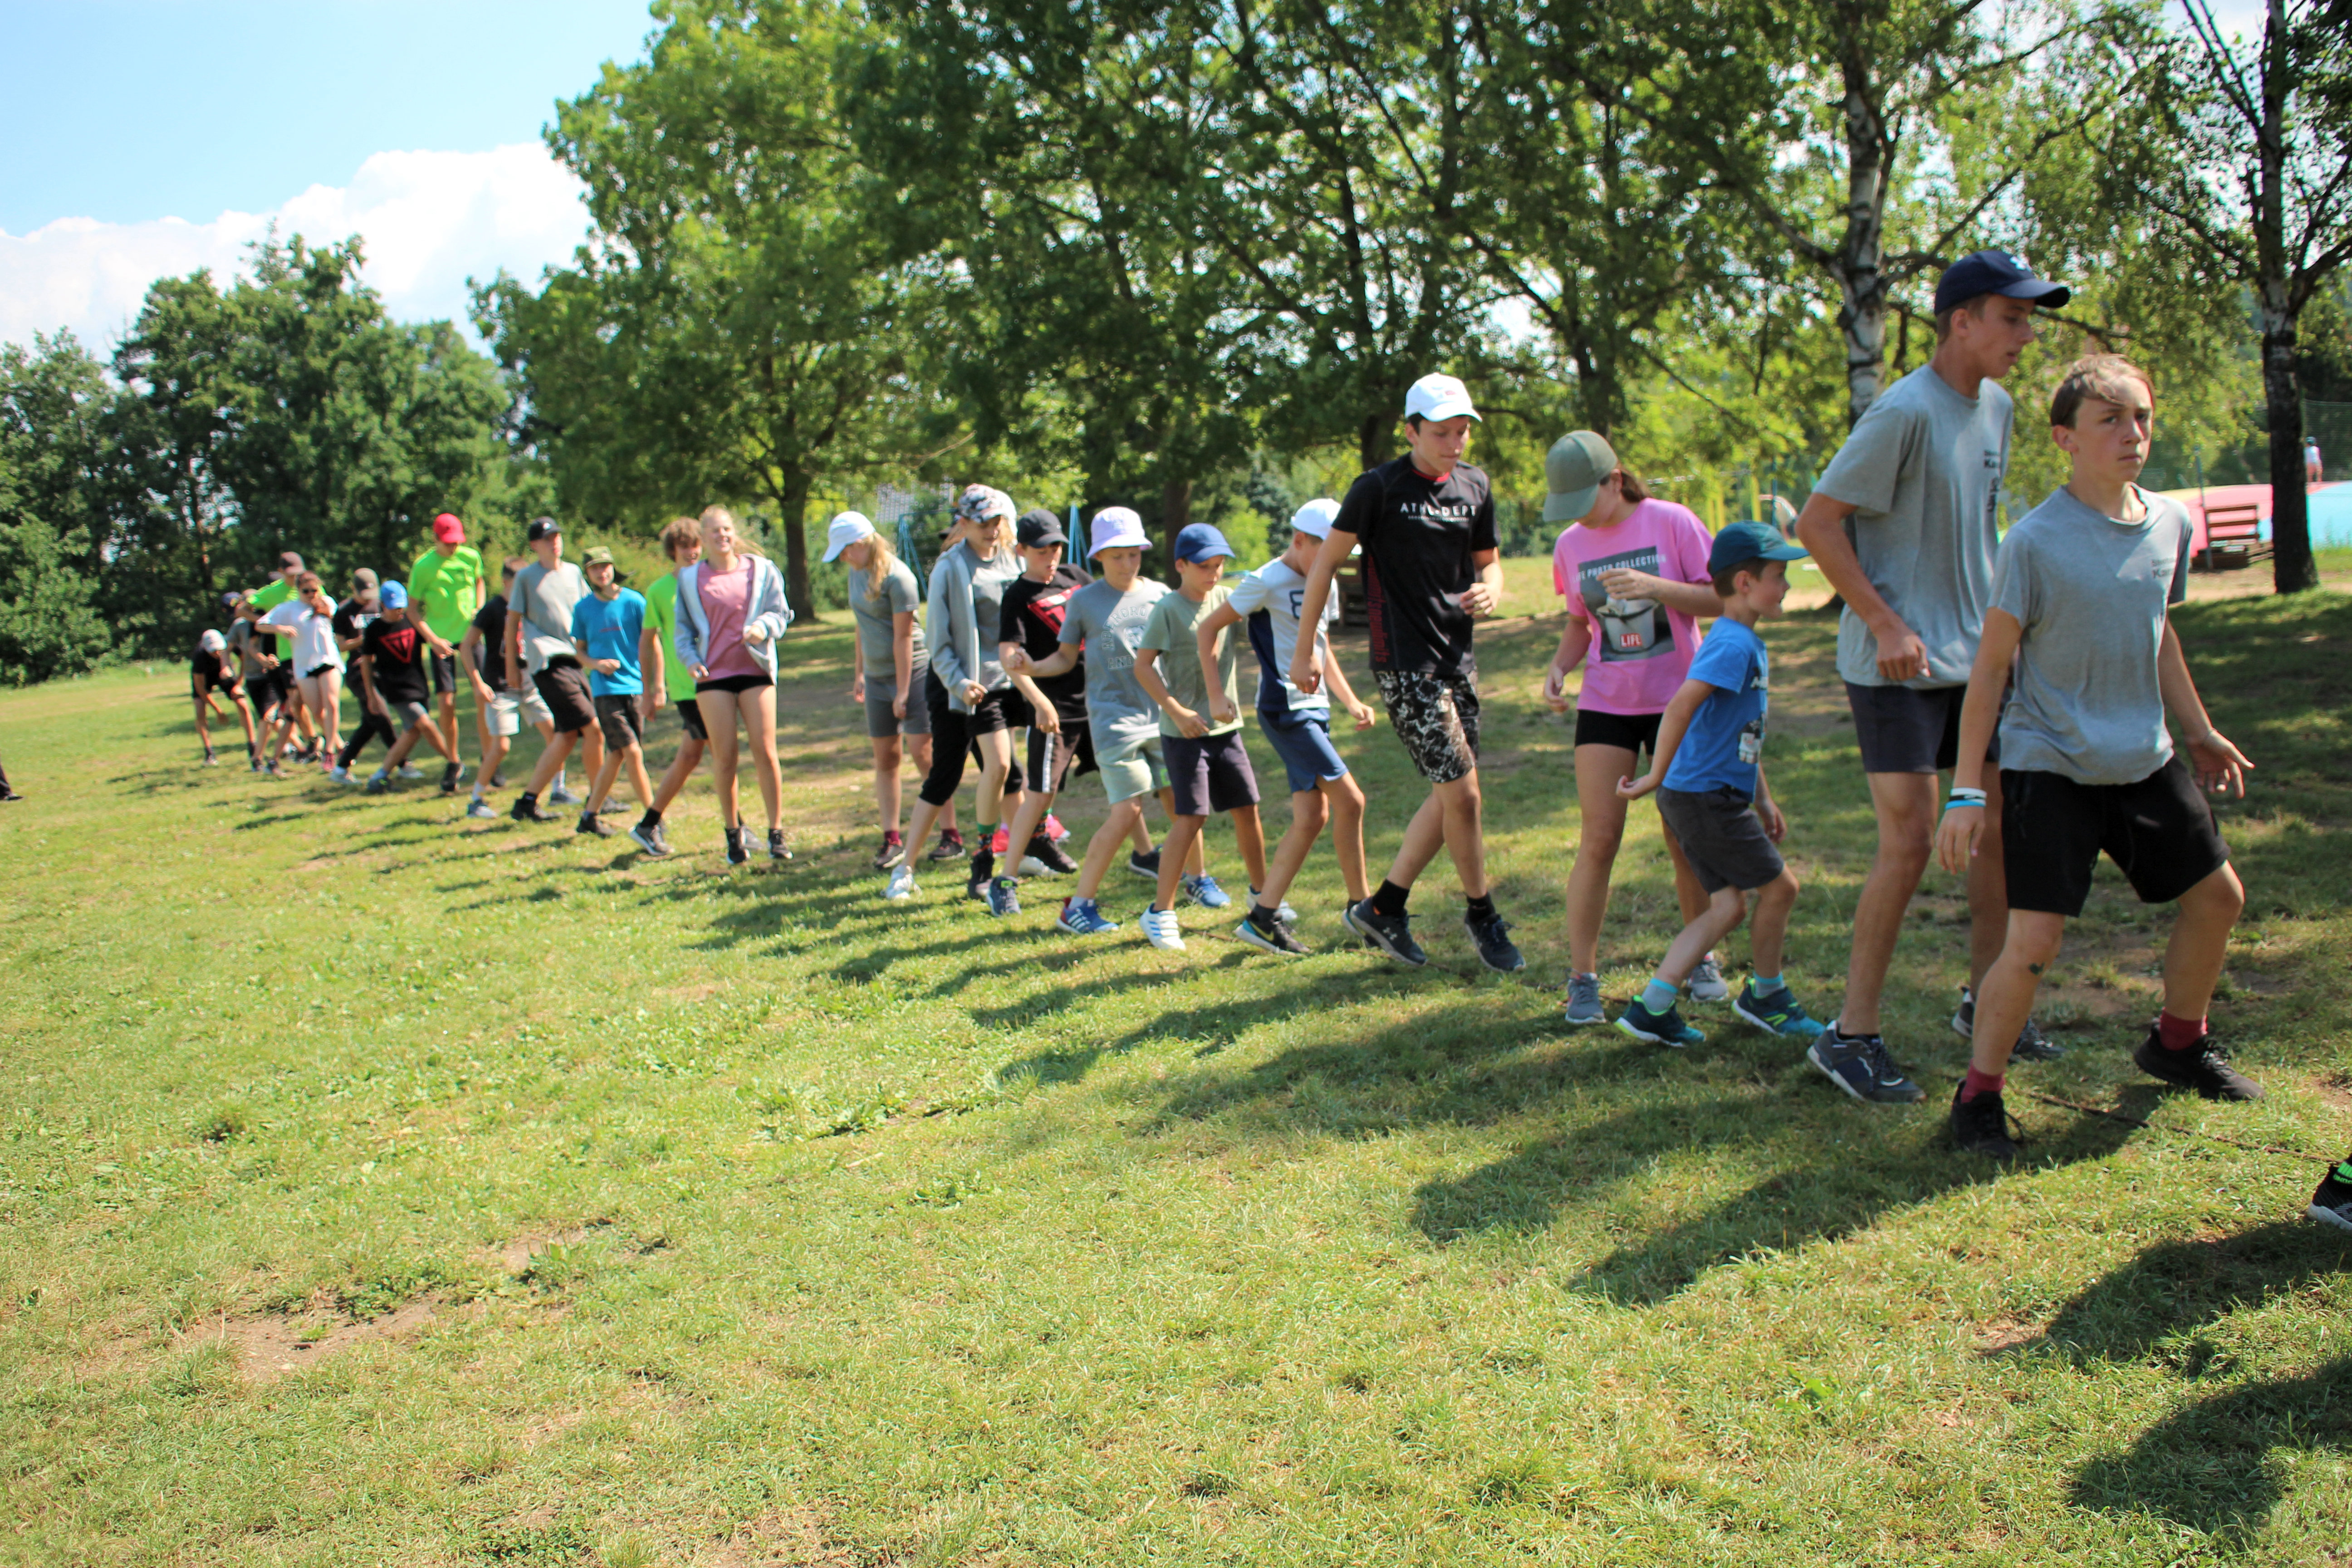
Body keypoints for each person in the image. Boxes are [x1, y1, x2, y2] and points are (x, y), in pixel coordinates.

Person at [1936, 355, 2256, 1158]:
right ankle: (1977, 1098)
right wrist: (1967, 791)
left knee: (2218, 898)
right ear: (2065, 439)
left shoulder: (2169, 523)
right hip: (2049, 764)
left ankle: (2177, 1043)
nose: (2132, 434)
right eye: (2110, 419)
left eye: (2141, 416)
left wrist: (2198, 729)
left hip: (2142, 756)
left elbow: (2156, 632)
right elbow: (1990, 672)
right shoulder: (2034, 542)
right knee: (2033, 944)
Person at [1793, 250, 2072, 1103]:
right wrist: (1886, 623)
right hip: (1893, 669)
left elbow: (1973, 536)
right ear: (1962, 321)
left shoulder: (1998, 407)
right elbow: (1817, 523)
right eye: (2012, 318)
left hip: (1972, 664)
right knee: (1911, 842)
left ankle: (1988, 1003)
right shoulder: (1903, 411)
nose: (2025, 336)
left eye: (2028, 320)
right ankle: (1850, 1037)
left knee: (1991, 833)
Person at [1290, 372, 1524, 973]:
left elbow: (1490, 563)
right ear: (1411, 431)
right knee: (1464, 794)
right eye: (1442, 433)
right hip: (1404, 663)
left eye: (1463, 431)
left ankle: (1384, 907)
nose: (1455, 443)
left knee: (1453, 795)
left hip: (1458, 659)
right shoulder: (1378, 488)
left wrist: (1493, 589)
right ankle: (1482, 914)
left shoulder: (1475, 485)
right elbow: (1324, 566)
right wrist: (1306, 649)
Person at [1540, 431, 1727, 1024]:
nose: (1578, 517)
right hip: (1606, 704)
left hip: (1680, 701)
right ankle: (1583, 979)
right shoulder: (1570, 545)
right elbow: (1579, 622)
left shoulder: (1672, 522)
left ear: (1615, 481)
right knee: (1599, 839)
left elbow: (1721, 600)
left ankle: (1699, 958)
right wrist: (1560, 667)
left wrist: (1655, 588)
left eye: (1585, 501)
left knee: (1683, 837)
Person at [1615, 523, 1824, 1048]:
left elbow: (1742, 731)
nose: (1787, 586)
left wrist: (1764, 797)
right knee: (1782, 889)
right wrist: (1656, 774)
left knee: (1728, 907)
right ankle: (1768, 997)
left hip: (1702, 795)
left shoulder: (1743, 641)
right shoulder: (1733, 644)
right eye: (1779, 576)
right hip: (1704, 798)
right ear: (1746, 583)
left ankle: (1652, 1008)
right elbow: (1681, 705)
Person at [1193, 499, 1374, 955]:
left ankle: (1263, 919)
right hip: (1285, 710)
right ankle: (1364, 909)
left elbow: (1320, 646)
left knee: (1313, 817)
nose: (1335, 561)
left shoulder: (1326, 580)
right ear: (1299, 540)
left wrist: (1350, 700)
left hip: (1315, 708)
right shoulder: (1267, 580)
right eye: (1328, 549)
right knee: (1351, 801)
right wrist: (1215, 694)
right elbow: (1208, 629)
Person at [1004, 506, 1192, 935]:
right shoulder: (1085, 601)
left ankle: (1197, 880)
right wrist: (1032, 668)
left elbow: (1180, 650)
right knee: (1126, 810)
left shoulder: (1159, 594)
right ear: (1099, 557)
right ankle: (1077, 906)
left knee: (1184, 806)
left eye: (1134, 555)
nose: (1127, 564)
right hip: (1112, 720)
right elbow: (1065, 657)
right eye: (1117, 556)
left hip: (1162, 718)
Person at [1128, 523, 1271, 950]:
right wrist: (1175, 710)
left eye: (1220, 565)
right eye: (1205, 566)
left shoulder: (1227, 599)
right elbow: (1142, 666)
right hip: (1183, 733)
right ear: (1181, 566)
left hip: (1227, 730)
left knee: (1247, 808)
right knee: (1191, 818)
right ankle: (1160, 913)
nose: (1214, 573)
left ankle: (1264, 897)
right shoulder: (1168, 609)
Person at [884, 486, 1026, 902]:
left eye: (997, 521)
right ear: (963, 524)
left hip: (999, 686)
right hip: (954, 686)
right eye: (982, 523)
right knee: (946, 775)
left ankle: (1022, 853)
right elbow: (938, 643)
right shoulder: (949, 567)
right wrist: (960, 684)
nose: (992, 530)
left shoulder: (1012, 560)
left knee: (1006, 772)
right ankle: (906, 869)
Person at [669, 505, 794, 863]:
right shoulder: (690, 578)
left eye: (726, 529)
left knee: (765, 750)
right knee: (725, 757)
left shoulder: (761, 569)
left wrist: (763, 628)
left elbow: (781, 613)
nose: (722, 535)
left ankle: (776, 833)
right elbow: (683, 631)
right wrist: (691, 660)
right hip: (714, 676)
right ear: (704, 538)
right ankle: (733, 835)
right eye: (714, 531)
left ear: (734, 533)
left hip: (756, 670)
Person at [828, 510, 952, 872]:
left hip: (913, 674)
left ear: (863, 543)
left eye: (846, 550)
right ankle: (892, 838)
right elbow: (862, 625)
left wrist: (902, 691)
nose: (843, 558)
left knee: (924, 754)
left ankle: (951, 834)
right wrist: (860, 672)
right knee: (886, 758)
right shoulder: (856, 573)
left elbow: (903, 638)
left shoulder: (900, 578)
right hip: (877, 677)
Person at [988, 509, 1098, 909]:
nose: (1051, 557)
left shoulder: (1075, 577)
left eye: (1055, 548)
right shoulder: (1018, 596)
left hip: (1097, 701)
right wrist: (1039, 701)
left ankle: (1144, 853)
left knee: (1124, 783)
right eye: (1041, 551)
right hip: (1057, 710)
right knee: (1040, 794)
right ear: (1021, 550)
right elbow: (1011, 657)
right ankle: (1005, 882)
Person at [507, 518, 606, 828]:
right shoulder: (526, 577)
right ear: (534, 545)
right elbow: (512, 622)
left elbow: (587, 610)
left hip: (574, 659)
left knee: (566, 736)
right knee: (594, 729)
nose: (555, 543)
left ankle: (526, 802)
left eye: (558, 537)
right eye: (548, 539)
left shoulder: (574, 572)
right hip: (548, 662)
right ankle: (599, 798)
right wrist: (512, 664)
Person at [568, 546, 659, 842]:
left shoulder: (635, 601)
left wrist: (657, 686)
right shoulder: (583, 609)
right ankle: (654, 818)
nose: (601, 572)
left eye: (605, 566)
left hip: (636, 689)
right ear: (588, 574)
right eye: (594, 568)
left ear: (613, 568)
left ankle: (589, 816)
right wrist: (596, 665)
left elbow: (653, 644)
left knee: (617, 755)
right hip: (606, 691)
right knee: (633, 752)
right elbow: (579, 652)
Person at [629, 519, 707, 854]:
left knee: (690, 756)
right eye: (684, 547)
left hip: (717, 679)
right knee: (723, 755)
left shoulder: (710, 580)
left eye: (695, 545)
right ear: (672, 551)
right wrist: (650, 690)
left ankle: (648, 824)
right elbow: (647, 641)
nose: (691, 552)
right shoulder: (659, 591)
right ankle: (738, 828)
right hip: (687, 687)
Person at [460, 559, 556, 820]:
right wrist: (478, 683)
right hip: (501, 687)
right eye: (519, 583)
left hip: (530, 684)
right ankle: (476, 800)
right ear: (506, 582)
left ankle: (559, 790)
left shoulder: (531, 607)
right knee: (501, 747)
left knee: (557, 736)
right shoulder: (492, 609)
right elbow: (466, 646)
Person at [408, 513, 487, 794]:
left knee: (484, 696)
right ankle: (454, 761)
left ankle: (489, 756)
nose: (453, 547)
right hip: (442, 641)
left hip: (471, 637)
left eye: (456, 542)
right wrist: (432, 640)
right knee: (447, 702)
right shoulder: (423, 567)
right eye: (448, 543)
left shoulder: (471, 557)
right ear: (436, 539)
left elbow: (479, 582)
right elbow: (412, 609)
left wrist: (479, 609)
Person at [354, 582, 461, 790]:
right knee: (427, 725)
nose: (399, 611)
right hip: (396, 690)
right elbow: (366, 663)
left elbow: (432, 639)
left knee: (411, 732)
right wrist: (371, 694)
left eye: (401, 606)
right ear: (383, 605)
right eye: (394, 607)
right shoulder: (374, 630)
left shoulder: (412, 622)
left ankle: (380, 776)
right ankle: (455, 763)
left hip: (419, 685)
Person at [258, 572, 347, 775]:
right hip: (304, 666)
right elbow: (260, 624)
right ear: (298, 590)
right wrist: (280, 628)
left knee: (332, 703)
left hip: (328, 660)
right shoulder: (288, 609)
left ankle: (330, 751)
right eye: (306, 591)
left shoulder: (327, 603)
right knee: (317, 711)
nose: (311, 595)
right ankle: (340, 745)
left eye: (314, 590)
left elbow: (341, 619)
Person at [246, 551, 321, 758]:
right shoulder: (271, 594)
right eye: (290, 574)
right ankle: (312, 742)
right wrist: (273, 625)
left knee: (308, 702)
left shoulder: (311, 587)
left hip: (312, 652)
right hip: (285, 656)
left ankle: (314, 743)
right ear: (281, 572)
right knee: (294, 702)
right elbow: (244, 612)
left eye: (298, 573)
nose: (295, 577)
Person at [329, 569, 394, 784]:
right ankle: (402, 761)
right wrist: (366, 638)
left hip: (382, 668)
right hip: (358, 671)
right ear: (353, 589)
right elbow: (342, 646)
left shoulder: (379, 605)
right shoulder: (344, 611)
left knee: (370, 722)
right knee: (381, 716)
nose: (368, 599)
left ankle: (341, 768)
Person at [224, 595, 281, 772]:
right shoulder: (240, 625)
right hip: (252, 677)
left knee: (270, 716)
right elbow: (228, 649)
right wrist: (226, 667)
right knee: (270, 718)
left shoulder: (270, 621)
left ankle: (259, 758)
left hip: (272, 674)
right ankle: (299, 747)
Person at [189, 628, 253, 766]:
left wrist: (239, 684)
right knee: (200, 710)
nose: (218, 653)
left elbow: (245, 660)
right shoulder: (199, 656)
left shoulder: (230, 643)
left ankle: (252, 747)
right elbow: (201, 689)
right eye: (214, 651)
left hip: (225, 673)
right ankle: (209, 754)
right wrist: (218, 711)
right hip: (206, 678)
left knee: (243, 704)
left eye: (220, 650)